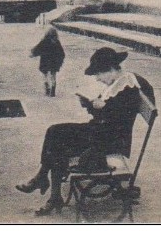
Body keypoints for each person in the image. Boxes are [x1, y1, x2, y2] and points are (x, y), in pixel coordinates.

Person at [15, 47, 141, 216]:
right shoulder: (117, 84)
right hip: (101, 132)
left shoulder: (127, 87)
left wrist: (100, 107)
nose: (97, 79)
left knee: (58, 137)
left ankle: (47, 187)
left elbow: (118, 121)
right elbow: (109, 115)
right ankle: (45, 183)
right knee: (55, 132)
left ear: (110, 69)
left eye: (98, 74)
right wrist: (91, 105)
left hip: (109, 140)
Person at [30, 27, 65, 97]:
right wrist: (60, 61)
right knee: (53, 76)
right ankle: (53, 91)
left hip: (45, 61)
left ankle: (47, 89)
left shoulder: (44, 41)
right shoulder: (57, 42)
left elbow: (37, 49)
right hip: (54, 62)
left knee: (45, 75)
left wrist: (33, 54)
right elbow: (62, 53)